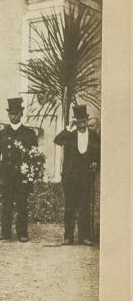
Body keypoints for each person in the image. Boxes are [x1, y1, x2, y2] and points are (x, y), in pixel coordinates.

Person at [0, 97, 38, 242]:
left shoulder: (29, 133)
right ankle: (5, 233)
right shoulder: (2, 133)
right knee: (6, 204)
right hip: (6, 176)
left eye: (16, 113)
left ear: (21, 113)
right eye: (11, 113)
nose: (13, 116)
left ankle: (22, 233)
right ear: (8, 114)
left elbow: (35, 156)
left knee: (22, 205)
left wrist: (31, 175)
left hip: (22, 176)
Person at [54, 105, 100, 245]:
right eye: (79, 121)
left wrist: (95, 163)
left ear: (87, 120)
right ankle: (68, 237)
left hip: (86, 177)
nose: (82, 124)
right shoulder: (70, 135)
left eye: (84, 121)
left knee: (84, 206)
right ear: (76, 121)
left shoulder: (93, 135)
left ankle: (84, 237)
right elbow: (57, 140)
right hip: (70, 177)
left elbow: (99, 153)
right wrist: (68, 128)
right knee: (69, 206)